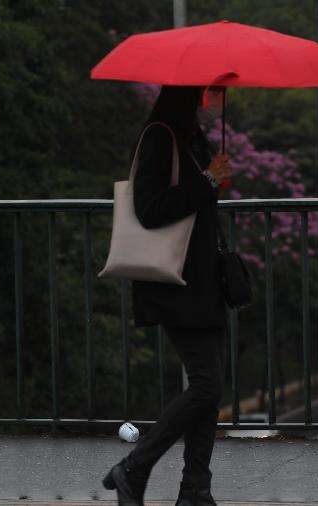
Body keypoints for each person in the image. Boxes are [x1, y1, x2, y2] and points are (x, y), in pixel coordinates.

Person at [102, 85, 231, 506]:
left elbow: (199, 200)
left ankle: (195, 488)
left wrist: (213, 178)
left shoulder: (192, 139)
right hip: (175, 282)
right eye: (205, 95)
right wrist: (209, 179)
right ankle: (135, 467)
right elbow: (151, 208)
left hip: (203, 281)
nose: (210, 103)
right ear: (186, 96)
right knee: (207, 384)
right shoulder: (160, 136)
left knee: (211, 387)